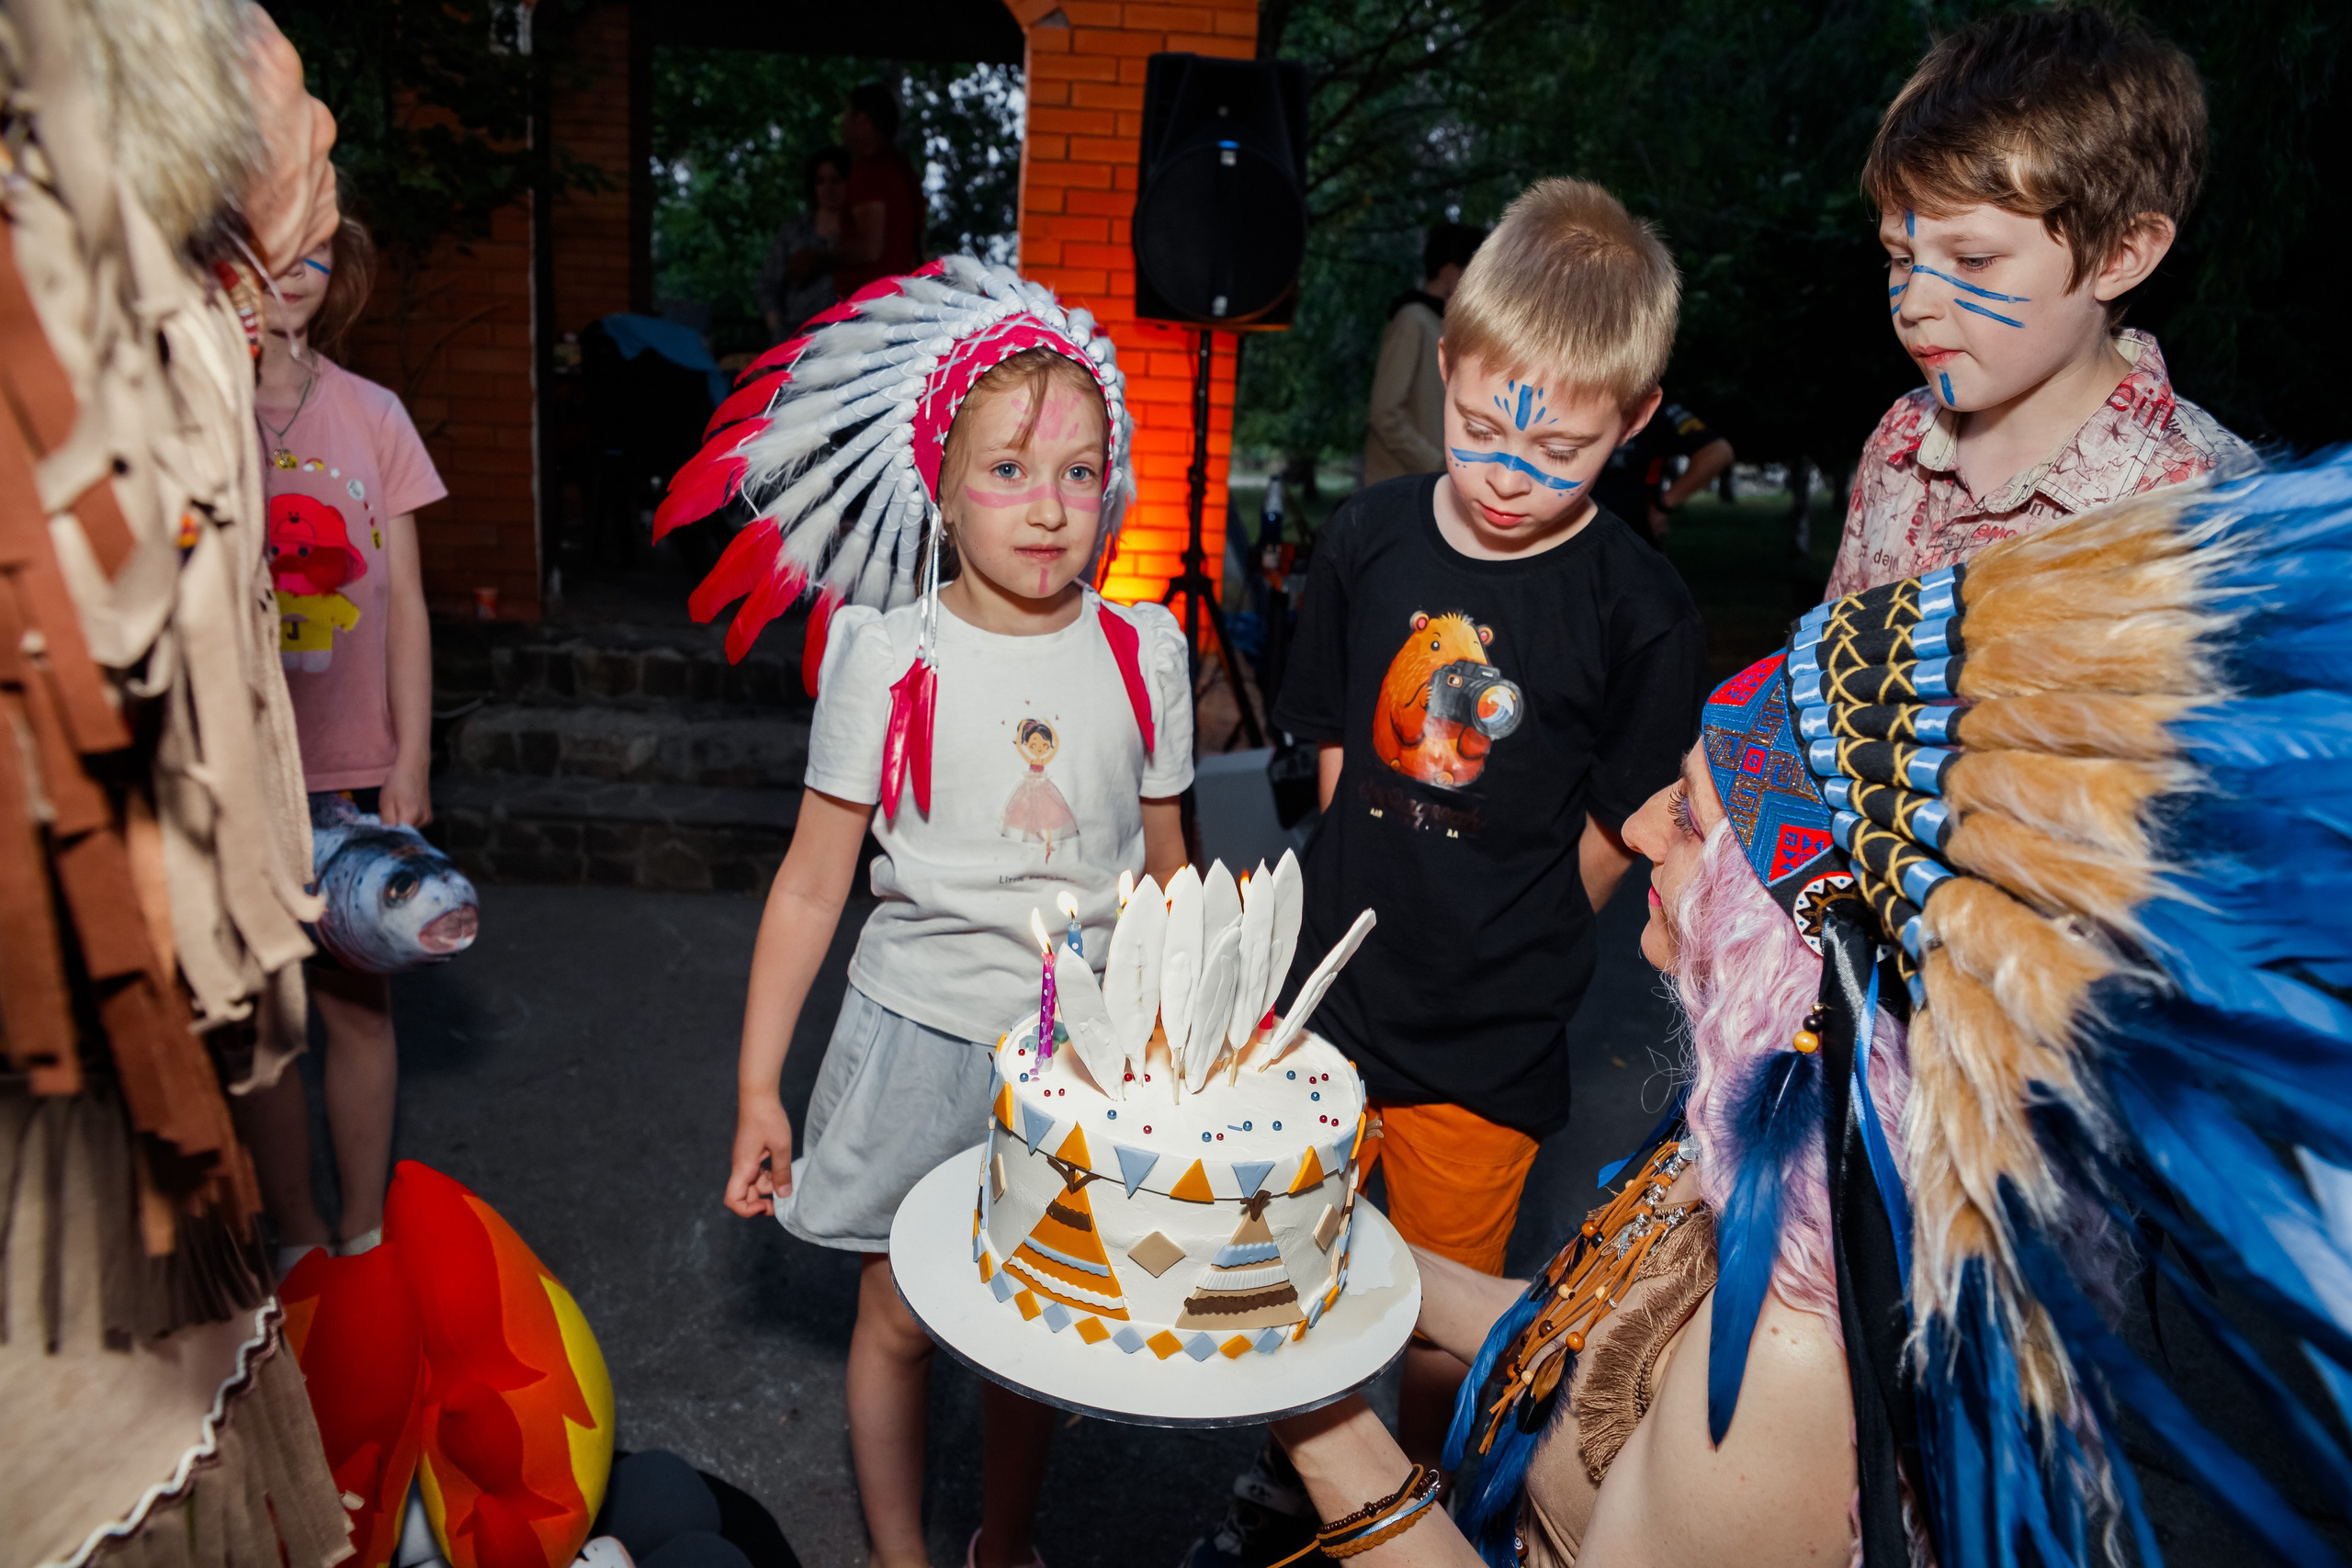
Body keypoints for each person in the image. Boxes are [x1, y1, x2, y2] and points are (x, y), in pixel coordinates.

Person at [1266, 451, 2352, 1567]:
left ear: (1789, 935)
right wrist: (1313, 1249)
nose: (1637, 828)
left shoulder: (1793, 1361)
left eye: (1688, 819)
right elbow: (1574, 1336)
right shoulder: (1790, 1122)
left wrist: (1303, 1402)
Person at [1191, 177, 1710, 1568]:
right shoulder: (1366, 541)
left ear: (1637, 418)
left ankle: (1397, 1505)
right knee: (1292, 1247)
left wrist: (1524, 935)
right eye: (1483, 429)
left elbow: (1621, 821)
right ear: (1450, 364)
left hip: (1491, 1040)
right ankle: (1285, 1475)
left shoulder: (1641, 609)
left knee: (1434, 1303)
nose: (1506, 475)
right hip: (1336, 1003)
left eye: (1562, 455)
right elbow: (1340, 758)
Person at [681, 260, 1194, 1568]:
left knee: (1040, 1330)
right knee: (902, 1314)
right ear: (939, 480)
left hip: (1083, 1055)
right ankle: (903, 1554)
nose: (1050, 509)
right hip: (917, 1031)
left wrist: (1186, 1049)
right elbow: (810, 881)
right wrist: (758, 1084)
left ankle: (1003, 1542)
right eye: (1010, 471)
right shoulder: (885, 652)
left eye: (1081, 472)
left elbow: (1175, 877)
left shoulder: (1147, 653)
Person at [1824, 7, 2250, 602]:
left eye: (1972, 260)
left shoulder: (2206, 507)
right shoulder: (1898, 442)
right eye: (1901, 257)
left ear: (2120, 254)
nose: (1915, 303)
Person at [235, 199, 447, 1270]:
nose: (295, 273)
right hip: (235, 776)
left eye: (314, 251)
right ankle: (300, 1241)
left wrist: (409, 757)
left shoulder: (373, 414)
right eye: (273, 253)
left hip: (355, 775)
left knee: (356, 1011)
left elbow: (406, 600)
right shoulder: (195, 415)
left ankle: (362, 1237)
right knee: (268, 1026)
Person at [1362, 222, 1487, 486]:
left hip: (1426, 486)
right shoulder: (1411, 320)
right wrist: (1437, 463)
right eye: (1475, 273)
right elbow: (1385, 414)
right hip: (1397, 490)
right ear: (1451, 273)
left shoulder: (1441, 325)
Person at [1587, 395, 1735, 544]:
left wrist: (1665, 503)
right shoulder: (1573, 405)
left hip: (1633, 535)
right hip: (1573, 537)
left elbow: (1718, 452)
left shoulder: (1656, 410)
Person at [832, 81, 924, 299]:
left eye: (847, 117)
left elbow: (869, 249)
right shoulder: (903, 172)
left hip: (872, 306)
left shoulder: (872, 170)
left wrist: (815, 261)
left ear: (862, 120)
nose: (843, 127)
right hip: (899, 300)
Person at [755, 144, 850, 342]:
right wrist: (778, 330)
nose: (828, 189)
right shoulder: (795, 229)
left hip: (847, 337)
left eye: (836, 180)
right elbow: (768, 283)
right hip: (797, 336)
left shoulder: (860, 231)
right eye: (821, 181)